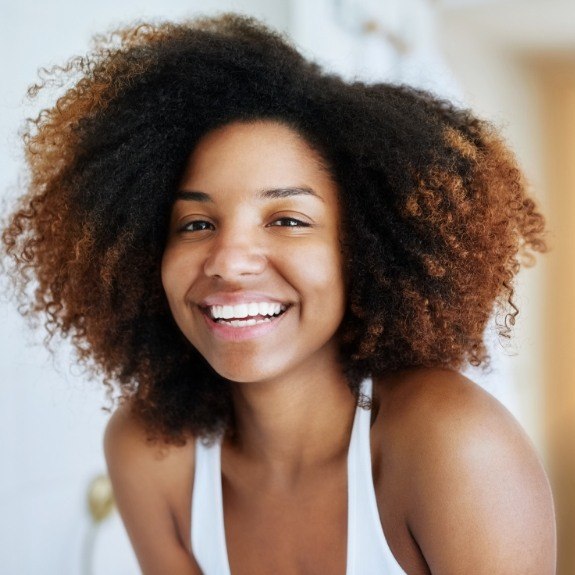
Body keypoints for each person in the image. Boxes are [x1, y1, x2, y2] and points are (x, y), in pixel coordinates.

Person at [1, 13, 556, 575]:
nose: (228, 261)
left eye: (288, 219)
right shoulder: (153, 453)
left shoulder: (450, 444)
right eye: (195, 224)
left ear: (361, 249)